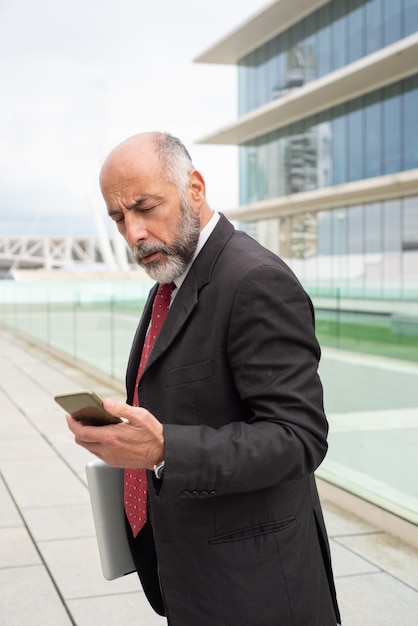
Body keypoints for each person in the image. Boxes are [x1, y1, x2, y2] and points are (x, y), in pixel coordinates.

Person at [67, 131, 341, 625]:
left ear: (194, 187)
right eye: (118, 218)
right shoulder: (172, 278)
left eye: (144, 206)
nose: (133, 233)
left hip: (257, 591)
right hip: (193, 574)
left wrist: (165, 449)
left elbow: (300, 438)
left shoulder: (255, 279)